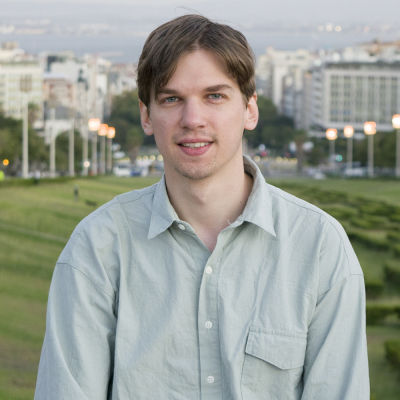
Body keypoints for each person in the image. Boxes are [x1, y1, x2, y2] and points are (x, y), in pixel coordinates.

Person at [35, 14, 369, 399]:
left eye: (215, 96)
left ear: (249, 110)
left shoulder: (321, 248)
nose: (192, 119)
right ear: (147, 115)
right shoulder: (95, 249)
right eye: (172, 99)